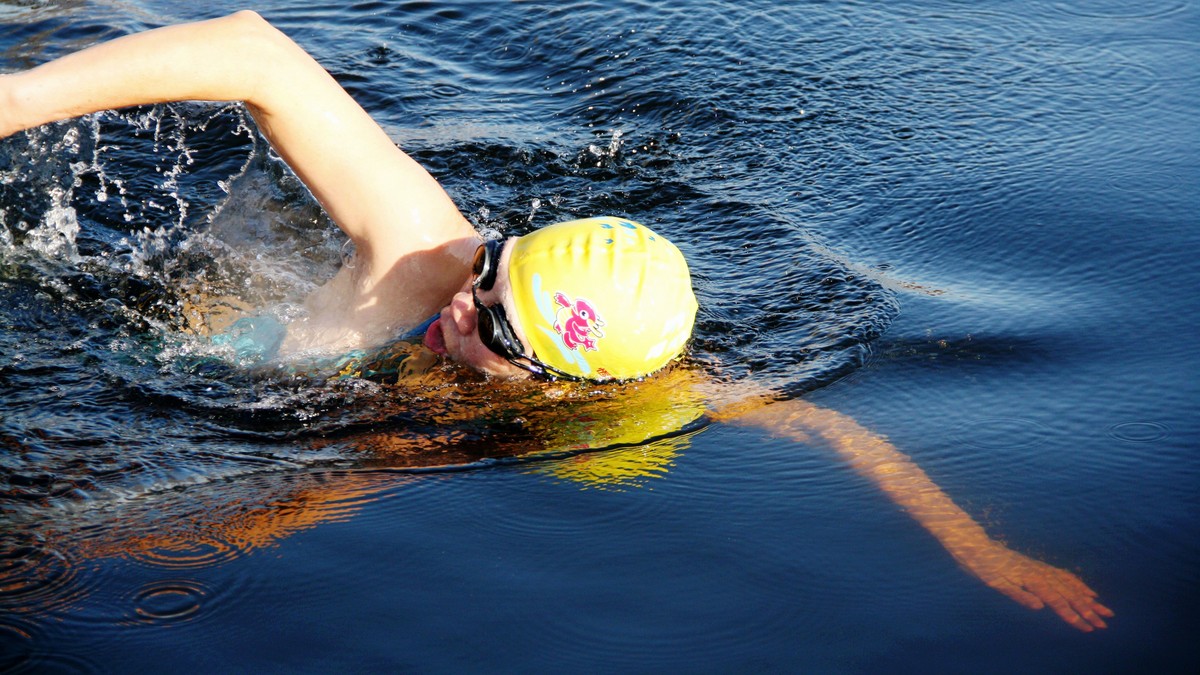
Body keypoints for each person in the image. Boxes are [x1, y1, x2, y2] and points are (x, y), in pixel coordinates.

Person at [0, 11, 1113, 630]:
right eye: (494, 276)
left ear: (581, 390)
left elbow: (831, 430)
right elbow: (251, 48)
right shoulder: (425, 258)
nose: (462, 311)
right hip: (183, 332)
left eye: (498, 332)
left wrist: (982, 546)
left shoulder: (638, 395)